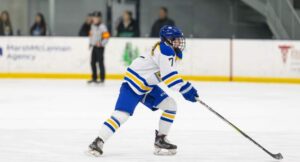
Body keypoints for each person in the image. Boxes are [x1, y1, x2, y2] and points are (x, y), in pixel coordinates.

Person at [88, 25, 199, 156]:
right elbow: (170, 78)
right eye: (175, 38)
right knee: (121, 115)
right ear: (167, 39)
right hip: (132, 85)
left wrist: (184, 88)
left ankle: (161, 139)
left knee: (171, 105)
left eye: (179, 39)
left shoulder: (168, 50)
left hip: (146, 86)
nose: (179, 42)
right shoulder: (165, 51)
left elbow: (168, 75)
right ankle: (98, 141)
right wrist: (186, 89)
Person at [88, 11, 110, 84]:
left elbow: (106, 37)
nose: (95, 19)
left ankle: (102, 78)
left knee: (100, 62)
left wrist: (101, 43)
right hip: (94, 46)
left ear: (100, 18)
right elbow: (91, 35)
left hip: (100, 47)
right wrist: (90, 43)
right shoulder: (93, 26)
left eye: (96, 17)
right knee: (92, 62)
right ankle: (94, 77)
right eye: (94, 17)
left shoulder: (102, 27)